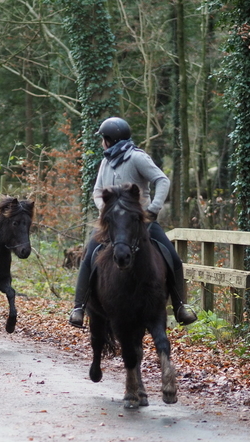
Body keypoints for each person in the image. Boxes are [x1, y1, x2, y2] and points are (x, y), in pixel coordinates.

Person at [69, 117, 197, 328]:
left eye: (103, 138)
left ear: (110, 139)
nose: (102, 142)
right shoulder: (105, 161)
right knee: (89, 255)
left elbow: (162, 180)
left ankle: (180, 306)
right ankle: (79, 307)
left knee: (172, 257)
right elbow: (97, 191)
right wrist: (105, 211)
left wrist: (153, 208)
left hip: (140, 222)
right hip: (112, 223)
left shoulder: (137, 158)